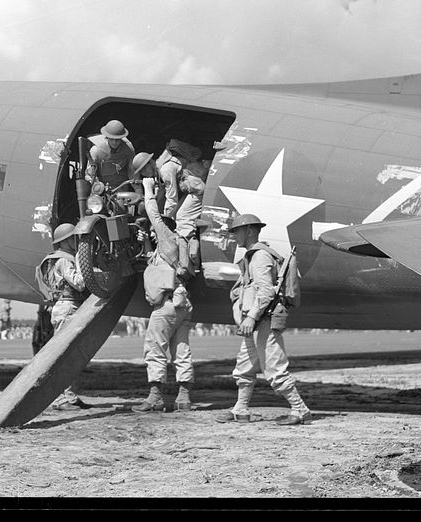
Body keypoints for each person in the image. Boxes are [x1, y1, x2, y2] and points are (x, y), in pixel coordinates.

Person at [215, 214, 312, 426]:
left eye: (237, 232)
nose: (234, 236)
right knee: (244, 367)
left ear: (249, 231)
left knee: (274, 368)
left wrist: (250, 317)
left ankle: (300, 409)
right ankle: (240, 408)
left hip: (262, 320)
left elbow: (266, 292)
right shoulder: (254, 255)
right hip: (255, 321)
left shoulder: (259, 256)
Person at [132, 175, 198, 414]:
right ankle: (184, 396)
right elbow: (153, 260)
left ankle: (155, 396)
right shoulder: (175, 249)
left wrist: (148, 188)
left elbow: (153, 214)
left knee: (155, 348)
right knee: (181, 350)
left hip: (166, 306)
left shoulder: (168, 236)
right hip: (182, 302)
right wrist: (146, 243)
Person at [36, 222, 92, 411]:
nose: (76, 241)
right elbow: (79, 283)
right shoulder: (64, 260)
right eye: (73, 238)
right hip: (68, 307)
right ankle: (62, 399)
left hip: (65, 307)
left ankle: (70, 396)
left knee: (69, 356)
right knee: (64, 357)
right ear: (66, 240)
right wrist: (85, 264)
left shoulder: (58, 259)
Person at [156, 139, 207, 275]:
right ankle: (189, 260)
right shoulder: (163, 166)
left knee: (183, 218)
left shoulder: (165, 170)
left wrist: (164, 221)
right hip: (193, 185)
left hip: (196, 187)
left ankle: (189, 264)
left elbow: (171, 198)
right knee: (179, 216)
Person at [84, 119, 136, 188]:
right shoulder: (96, 151)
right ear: (107, 137)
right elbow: (90, 175)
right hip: (101, 189)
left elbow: (132, 173)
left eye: (117, 139)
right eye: (111, 139)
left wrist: (139, 192)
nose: (114, 142)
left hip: (122, 188)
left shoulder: (128, 149)